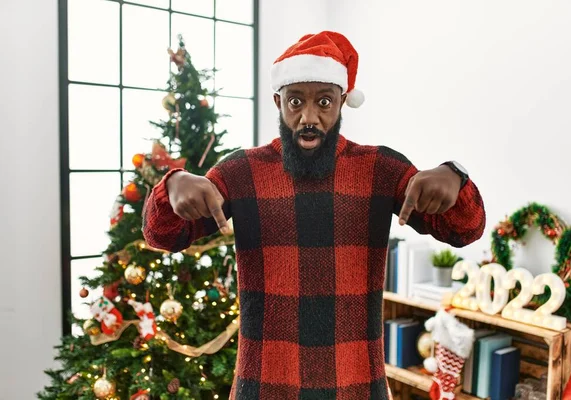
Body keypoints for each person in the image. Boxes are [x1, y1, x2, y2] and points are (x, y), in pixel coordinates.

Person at [143, 31, 486, 400]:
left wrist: (454, 176)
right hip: (263, 386)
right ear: (278, 102)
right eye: (295, 102)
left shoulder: (380, 169)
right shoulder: (241, 172)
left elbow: (464, 229)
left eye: (324, 101)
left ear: (342, 102)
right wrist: (172, 185)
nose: (309, 117)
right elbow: (162, 235)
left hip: (357, 385)